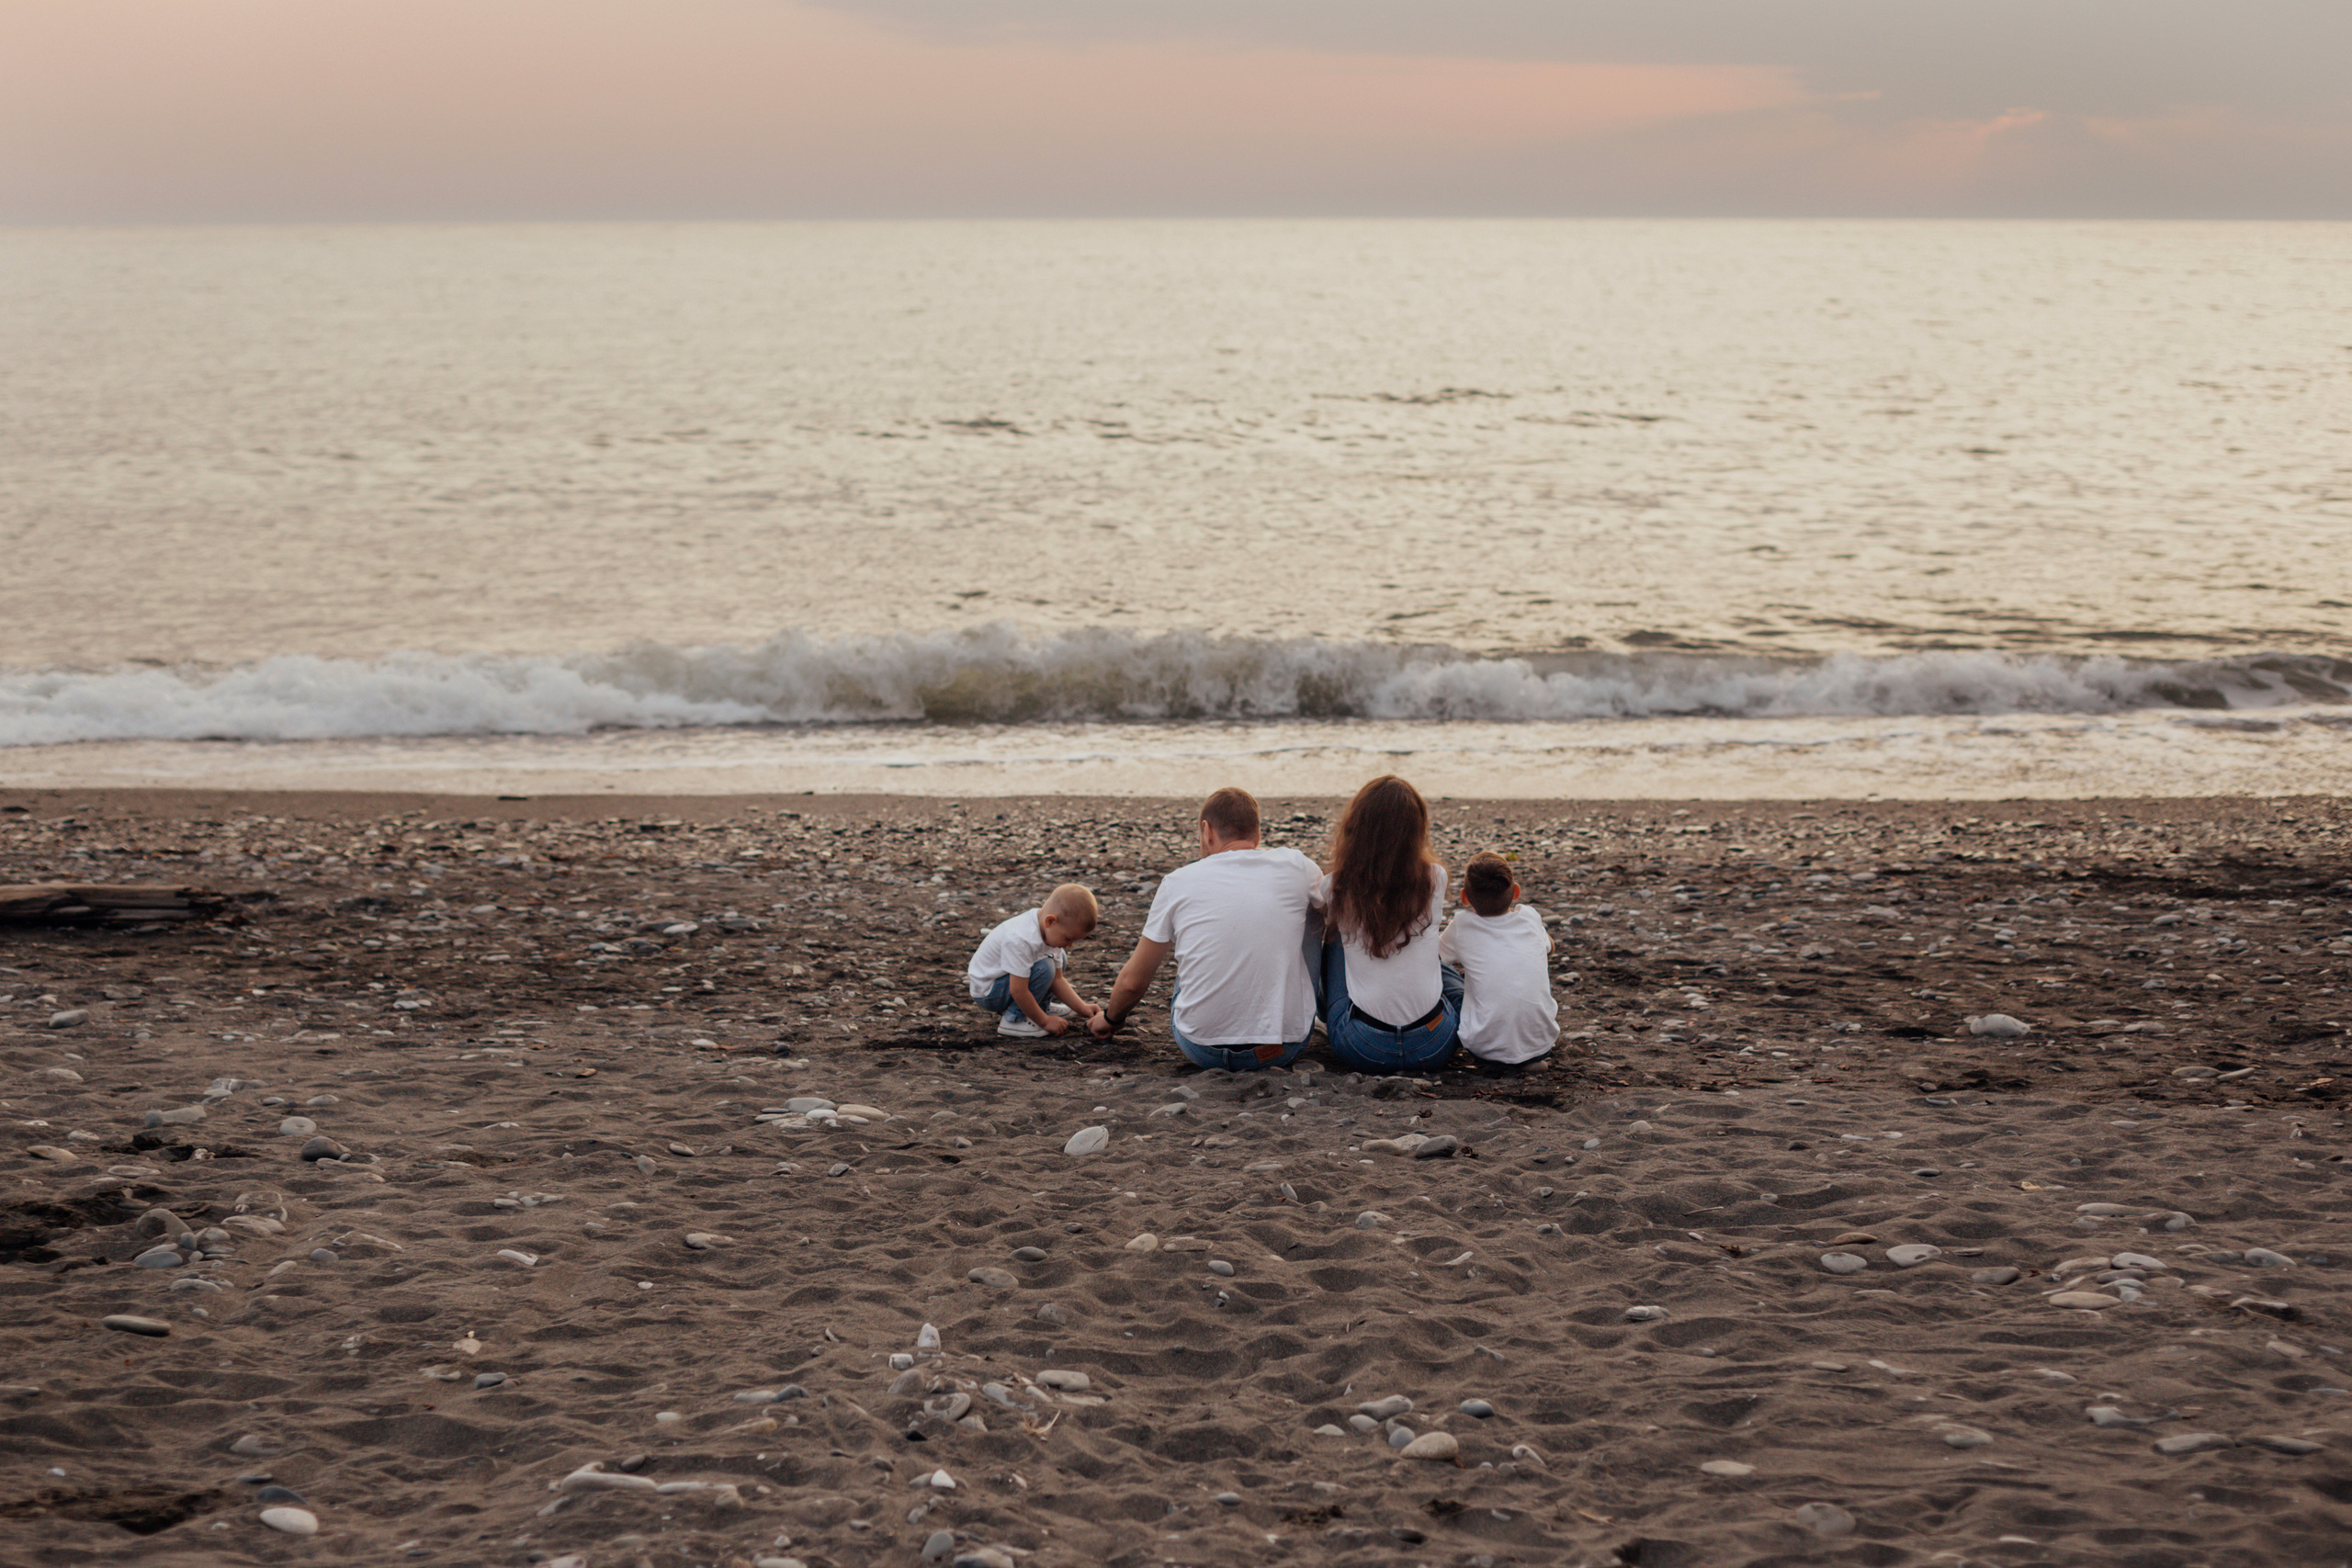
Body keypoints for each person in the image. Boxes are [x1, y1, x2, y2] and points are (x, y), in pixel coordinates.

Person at [1088, 787, 1323, 1069]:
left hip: (1202, 1048)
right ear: (1257, 836)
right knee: (1313, 914)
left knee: (1192, 946)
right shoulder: (1298, 866)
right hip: (1281, 1048)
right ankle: (1304, 1010)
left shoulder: (1178, 881)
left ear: (1206, 831)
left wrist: (1111, 1019)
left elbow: (1133, 982)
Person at [1317, 775, 1461, 1074]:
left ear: (1355, 829)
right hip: (1435, 1043)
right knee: (1428, 950)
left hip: (1362, 1045)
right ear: (1416, 832)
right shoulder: (1435, 879)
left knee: (1335, 940)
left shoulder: (1335, 887)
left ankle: (1326, 1013)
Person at [1438, 852, 1559, 1066]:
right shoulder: (1529, 916)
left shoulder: (1461, 925)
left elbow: (1433, 956)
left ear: (1464, 897)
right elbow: (1550, 948)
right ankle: (1527, 1055)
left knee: (1443, 972)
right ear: (1516, 892)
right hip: (1541, 1046)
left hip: (1484, 1049)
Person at [966, 884, 1101, 1037]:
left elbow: (1057, 979)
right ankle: (1014, 1020)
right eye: (1068, 938)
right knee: (1044, 967)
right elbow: (1018, 990)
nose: (1070, 945)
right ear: (1050, 921)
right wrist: (1045, 1022)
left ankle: (1040, 1007)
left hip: (1006, 984)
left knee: (1059, 958)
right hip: (988, 992)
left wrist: (1082, 1008)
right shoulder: (1021, 938)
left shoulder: (1048, 930)